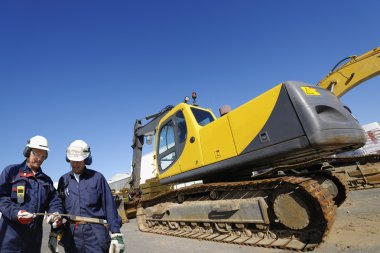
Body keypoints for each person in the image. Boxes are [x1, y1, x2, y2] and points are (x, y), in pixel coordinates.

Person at [57, 140, 125, 253]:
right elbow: (59, 205)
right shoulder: (63, 180)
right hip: (72, 235)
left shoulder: (97, 178)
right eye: (72, 160)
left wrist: (116, 233)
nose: (75, 164)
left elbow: (109, 206)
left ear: (86, 160)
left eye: (79, 161)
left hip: (95, 235)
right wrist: (55, 223)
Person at [0, 135, 63, 253]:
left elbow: (54, 201)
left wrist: (55, 213)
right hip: (10, 240)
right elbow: (2, 198)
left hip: (33, 242)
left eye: (43, 156)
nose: (39, 159)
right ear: (28, 152)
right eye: (36, 154)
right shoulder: (11, 172)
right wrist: (16, 213)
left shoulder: (46, 181)